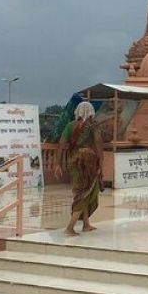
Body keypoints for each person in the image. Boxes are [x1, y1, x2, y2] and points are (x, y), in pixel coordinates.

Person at [58, 101, 103, 236]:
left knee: (81, 190)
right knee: (85, 193)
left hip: (73, 161)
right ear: (91, 112)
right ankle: (70, 227)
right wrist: (101, 160)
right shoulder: (93, 126)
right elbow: (99, 141)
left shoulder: (70, 126)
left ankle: (86, 224)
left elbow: (61, 144)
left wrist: (58, 163)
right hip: (88, 163)